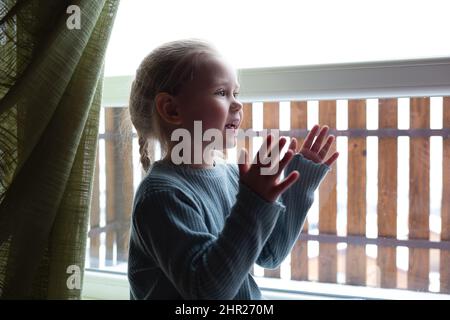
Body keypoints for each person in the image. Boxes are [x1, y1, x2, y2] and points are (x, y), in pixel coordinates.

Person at [127, 39, 339, 300]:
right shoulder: (161, 195)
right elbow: (208, 293)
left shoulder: (232, 176)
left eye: (235, 93)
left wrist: (300, 185)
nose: (238, 105)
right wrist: (255, 202)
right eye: (221, 93)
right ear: (171, 109)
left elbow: (270, 253)